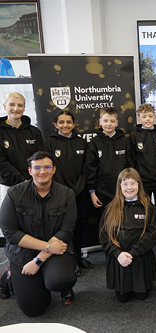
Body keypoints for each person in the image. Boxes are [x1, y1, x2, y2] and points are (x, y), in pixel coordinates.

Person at [0, 151, 77, 317]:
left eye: (47, 167)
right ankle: (9, 274)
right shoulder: (14, 194)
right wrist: (47, 247)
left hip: (56, 250)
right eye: (37, 167)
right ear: (30, 171)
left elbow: (67, 229)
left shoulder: (66, 194)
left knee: (60, 280)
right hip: (24, 252)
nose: (42, 171)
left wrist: (39, 258)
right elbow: (10, 232)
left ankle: (51, 278)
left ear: (54, 169)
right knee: (33, 309)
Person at [44, 110, 93, 275]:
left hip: (79, 193)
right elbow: (50, 168)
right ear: (55, 124)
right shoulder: (49, 143)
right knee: (65, 229)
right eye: (61, 122)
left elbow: (86, 168)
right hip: (59, 193)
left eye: (68, 122)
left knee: (79, 227)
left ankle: (79, 258)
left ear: (73, 124)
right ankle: (70, 262)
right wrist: (64, 189)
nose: (65, 125)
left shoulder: (81, 142)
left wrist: (76, 188)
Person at [99, 168, 156, 303]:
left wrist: (133, 252)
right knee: (122, 298)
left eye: (133, 183)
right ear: (119, 186)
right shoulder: (111, 208)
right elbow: (104, 234)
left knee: (142, 296)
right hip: (119, 258)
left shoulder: (148, 206)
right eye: (125, 184)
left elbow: (152, 233)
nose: (129, 187)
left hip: (139, 257)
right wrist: (118, 254)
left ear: (139, 185)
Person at [85, 107, 134, 211]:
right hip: (102, 193)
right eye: (105, 121)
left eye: (112, 121)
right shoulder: (94, 143)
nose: (109, 124)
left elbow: (130, 166)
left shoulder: (125, 141)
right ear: (100, 122)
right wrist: (92, 192)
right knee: (105, 224)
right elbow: (90, 168)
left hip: (123, 191)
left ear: (116, 123)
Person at [0, 92, 43, 198]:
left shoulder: (34, 131)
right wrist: (21, 179)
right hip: (8, 185)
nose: (16, 108)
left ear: (24, 108)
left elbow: (40, 156)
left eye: (20, 105)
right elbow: (1, 162)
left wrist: (33, 178)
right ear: (4, 106)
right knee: (10, 214)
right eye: (11, 104)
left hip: (33, 183)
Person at [130, 103, 156, 211]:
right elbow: (132, 159)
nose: (147, 119)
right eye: (144, 117)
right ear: (139, 119)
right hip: (143, 180)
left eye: (150, 116)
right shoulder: (134, 136)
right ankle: (147, 228)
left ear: (155, 117)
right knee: (144, 209)